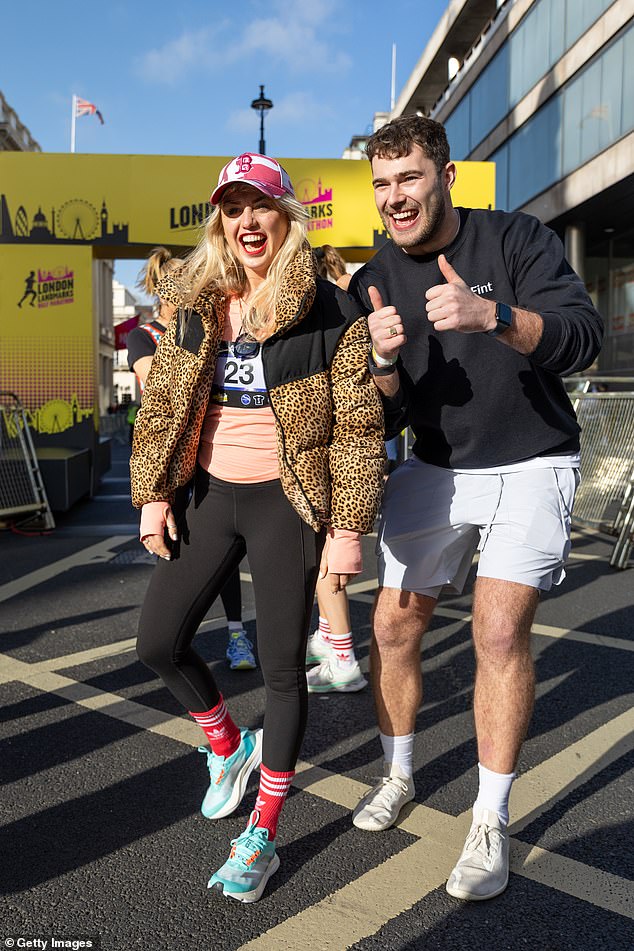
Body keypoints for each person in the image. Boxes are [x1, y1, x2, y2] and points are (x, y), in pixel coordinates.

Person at [347, 115, 603, 901]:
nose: (396, 197)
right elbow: (386, 416)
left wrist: (492, 316)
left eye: (410, 178)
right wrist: (383, 362)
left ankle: (489, 820)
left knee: (498, 629)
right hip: (437, 465)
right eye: (383, 184)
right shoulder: (373, 280)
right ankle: (398, 773)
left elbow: (583, 337)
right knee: (391, 624)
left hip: (533, 458)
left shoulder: (517, 240)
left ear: (446, 177)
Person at [130, 153, 385, 903]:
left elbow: (359, 429)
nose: (247, 221)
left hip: (287, 499)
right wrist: (154, 494)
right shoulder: (197, 301)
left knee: (280, 667)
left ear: (287, 217)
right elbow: (165, 405)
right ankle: (226, 743)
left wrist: (347, 529)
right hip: (208, 493)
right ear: (219, 222)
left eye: (261, 206)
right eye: (232, 209)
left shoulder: (331, 311)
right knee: (157, 641)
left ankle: (264, 832)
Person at [128, 248, 255, 671]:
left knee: (229, 556)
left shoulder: (209, 321)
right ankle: (180, 639)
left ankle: (238, 636)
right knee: (184, 557)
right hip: (168, 460)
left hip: (213, 454)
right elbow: (156, 382)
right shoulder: (146, 334)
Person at [304, 244, 367, 694]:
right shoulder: (344, 302)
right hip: (331, 458)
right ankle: (331, 645)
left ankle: (343, 658)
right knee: (322, 563)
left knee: (325, 564)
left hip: (325, 460)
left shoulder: (331, 308)